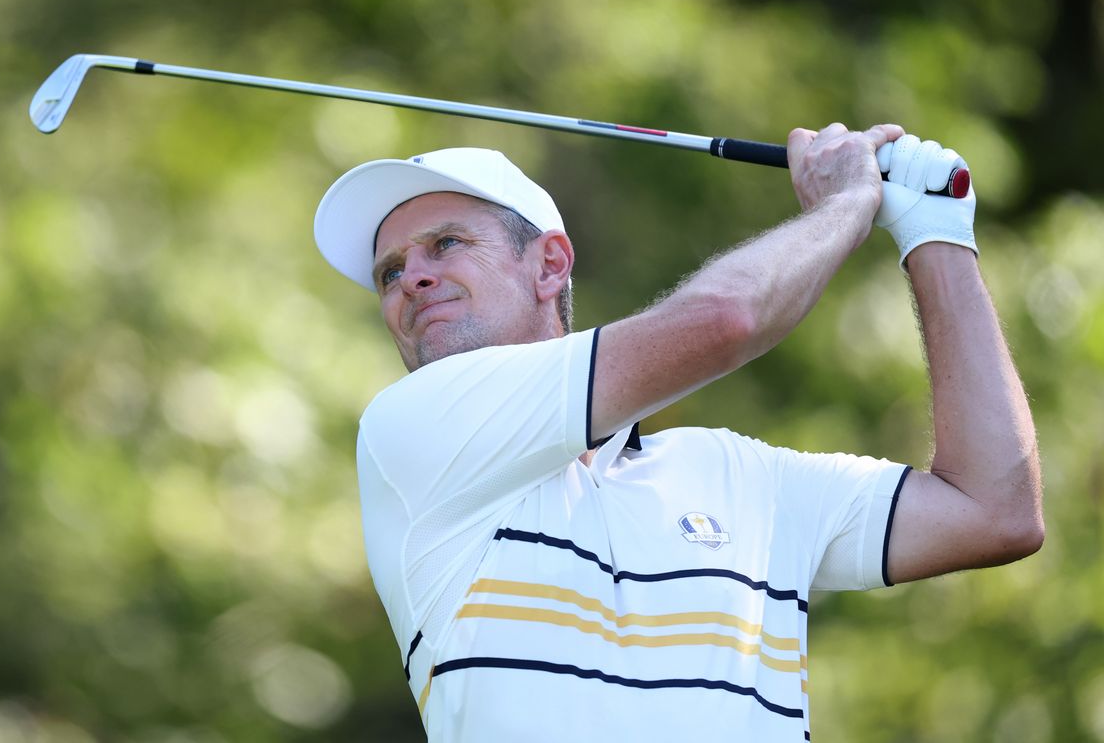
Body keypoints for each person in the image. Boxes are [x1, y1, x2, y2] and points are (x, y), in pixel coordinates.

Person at [312, 124, 1043, 741]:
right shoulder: (413, 431)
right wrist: (852, 201)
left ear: (549, 263)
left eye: (445, 244)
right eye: (389, 272)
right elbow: (728, 320)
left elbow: (993, 510)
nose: (411, 279)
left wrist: (935, 231)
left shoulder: (738, 473)